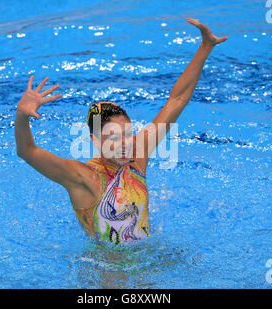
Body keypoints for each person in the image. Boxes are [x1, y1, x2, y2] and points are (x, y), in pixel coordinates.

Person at [14, 18, 228, 244]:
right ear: (95, 141)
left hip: (147, 262)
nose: (125, 143)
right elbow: (27, 152)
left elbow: (176, 100)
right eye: (113, 138)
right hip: (108, 274)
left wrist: (205, 47)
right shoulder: (83, 178)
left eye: (127, 134)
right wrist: (21, 116)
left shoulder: (138, 156)